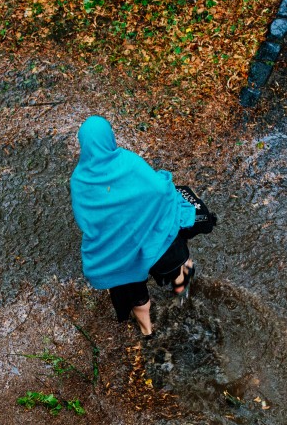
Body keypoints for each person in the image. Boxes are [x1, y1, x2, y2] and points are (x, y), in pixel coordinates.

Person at [70, 116, 198, 337]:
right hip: (153, 238)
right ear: (109, 138)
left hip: (118, 251)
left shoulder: (79, 181)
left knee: (136, 296)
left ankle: (147, 333)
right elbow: (158, 190)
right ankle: (182, 298)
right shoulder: (127, 161)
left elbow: (86, 221)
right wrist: (164, 179)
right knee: (183, 262)